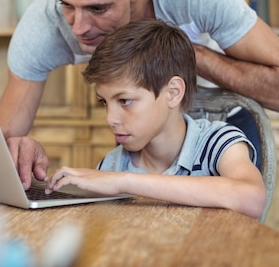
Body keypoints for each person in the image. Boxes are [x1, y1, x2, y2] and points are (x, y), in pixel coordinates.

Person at [0, 0, 279, 188]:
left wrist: (181, 51)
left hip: (223, 125)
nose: (78, 28)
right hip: (140, 131)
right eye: (67, 5)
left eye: (98, 8)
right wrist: (17, 151)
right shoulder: (44, 23)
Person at [46, 19, 266, 219]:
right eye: (104, 102)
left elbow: (252, 199)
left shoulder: (219, 142)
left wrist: (124, 181)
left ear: (172, 92)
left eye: (125, 101)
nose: (110, 119)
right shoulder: (113, 164)